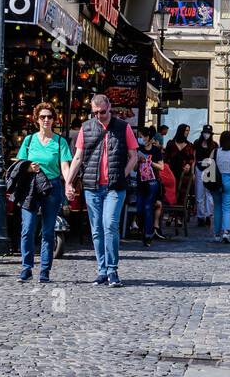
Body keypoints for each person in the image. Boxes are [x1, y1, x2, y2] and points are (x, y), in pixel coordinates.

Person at [66, 94, 139, 287]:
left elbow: (134, 156)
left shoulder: (123, 127)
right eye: (95, 112)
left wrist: (123, 174)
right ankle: (102, 270)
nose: (99, 115)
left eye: (103, 112)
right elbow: (78, 157)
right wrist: (68, 182)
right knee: (96, 230)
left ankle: (112, 270)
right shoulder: (86, 127)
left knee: (110, 225)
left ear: (110, 108)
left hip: (115, 186)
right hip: (92, 186)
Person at [14, 102, 73, 283]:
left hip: (52, 187)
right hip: (31, 187)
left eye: (49, 117)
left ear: (54, 120)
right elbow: (19, 163)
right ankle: (27, 268)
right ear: (36, 120)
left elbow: (64, 165)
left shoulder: (60, 141)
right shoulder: (29, 140)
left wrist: (68, 184)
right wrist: (29, 167)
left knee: (48, 231)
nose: (46, 119)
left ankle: (45, 271)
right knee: (28, 228)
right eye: (42, 117)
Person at [134, 126, 164, 246]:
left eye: (143, 136)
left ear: (148, 137)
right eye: (140, 136)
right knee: (140, 208)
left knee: (147, 207)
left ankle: (148, 235)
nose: (141, 138)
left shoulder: (156, 151)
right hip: (141, 181)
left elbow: (161, 166)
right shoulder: (138, 149)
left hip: (152, 181)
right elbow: (135, 168)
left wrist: (149, 162)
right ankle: (143, 228)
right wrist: (138, 161)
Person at [212, 130, 230, 244]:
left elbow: (208, 164)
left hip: (216, 181)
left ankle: (216, 234)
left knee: (217, 207)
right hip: (229, 179)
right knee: (227, 208)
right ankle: (226, 232)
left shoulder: (215, 151)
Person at [193, 124, 217, 228]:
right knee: (199, 194)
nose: (206, 135)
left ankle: (208, 215)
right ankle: (200, 216)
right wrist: (193, 172)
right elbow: (194, 158)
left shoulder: (214, 145)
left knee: (209, 194)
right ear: (202, 133)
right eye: (205, 133)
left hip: (210, 169)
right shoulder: (197, 143)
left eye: (208, 133)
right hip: (199, 168)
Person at [152, 158, 177, 239]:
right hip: (161, 195)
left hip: (166, 196)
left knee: (156, 203)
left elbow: (168, 182)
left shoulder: (163, 168)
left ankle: (155, 228)